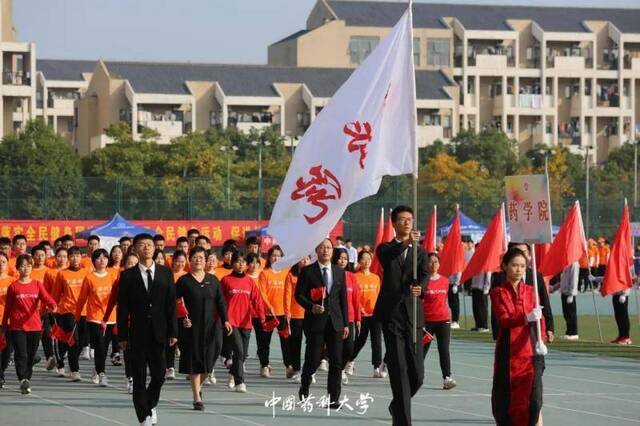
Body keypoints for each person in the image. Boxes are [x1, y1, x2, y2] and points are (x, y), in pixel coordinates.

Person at [374, 205, 428, 426]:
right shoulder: (385, 248)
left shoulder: (421, 252)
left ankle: (397, 405)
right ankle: (403, 421)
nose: (408, 223)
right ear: (394, 223)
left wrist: (420, 288)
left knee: (417, 375)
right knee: (399, 370)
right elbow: (390, 255)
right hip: (392, 315)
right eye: (403, 219)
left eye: (411, 219)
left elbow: (425, 274)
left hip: (413, 315)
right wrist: (408, 242)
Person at [117, 234, 177, 426]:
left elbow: (170, 305)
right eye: (142, 245)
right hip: (137, 334)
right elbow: (123, 308)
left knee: (159, 375)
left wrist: (173, 332)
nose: (146, 248)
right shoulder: (127, 276)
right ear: (134, 249)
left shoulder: (165, 273)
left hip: (160, 333)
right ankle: (143, 417)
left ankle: (149, 404)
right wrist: (122, 336)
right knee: (139, 378)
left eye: (149, 245)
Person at [490, 248, 545, 426]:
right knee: (506, 397)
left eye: (522, 266)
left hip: (529, 349)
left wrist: (541, 338)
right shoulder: (498, 292)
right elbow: (504, 320)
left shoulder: (531, 291)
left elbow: (540, 320)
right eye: (514, 265)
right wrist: (525, 317)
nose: (519, 270)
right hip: (508, 349)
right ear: (505, 266)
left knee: (533, 400)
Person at [175, 246, 230, 410]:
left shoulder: (213, 281)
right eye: (194, 257)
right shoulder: (183, 281)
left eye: (201, 257)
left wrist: (226, 320)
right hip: (191, 328)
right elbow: (175, 304)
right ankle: (196, 397)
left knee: (210, 359)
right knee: (195, 361)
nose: (198, 260)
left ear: (206, 261)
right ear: (189, 260)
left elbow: (220, 302)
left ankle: (199, 386)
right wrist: (181, 320)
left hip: (212, 327)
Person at [296, 238, 349, 408]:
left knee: (336, 361)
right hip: (315, 322)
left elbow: (343, 300)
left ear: (332, 251)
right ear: (316, 251)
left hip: (336, 322)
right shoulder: (307, 271)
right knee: (314, 359)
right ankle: (305, 386)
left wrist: (346, 323)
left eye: (328, 247)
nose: (325, 250)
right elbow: (299, 295)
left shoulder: (339, 272)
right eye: (322, 248)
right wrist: (311, 307)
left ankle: (333, 398)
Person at [1, 254, 57, 394]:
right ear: (18, 268)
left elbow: (46, 298)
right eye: (23, 266)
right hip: (17, 327)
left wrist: (52, 304)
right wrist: (4, 327)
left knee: (31, 355)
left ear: (32, 267)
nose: (26, 268)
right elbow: (7, 309)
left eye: (28, 265)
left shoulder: (37, 284)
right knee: (21, 354)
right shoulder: (13, 287)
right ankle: (23, 379)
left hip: (35, 326)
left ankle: (27, 377)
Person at [220, 252, 266, 393]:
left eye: (243, 262)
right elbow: (220, 301)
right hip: (231, 321)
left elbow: (257, 300)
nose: (241, 264)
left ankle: (233, 374)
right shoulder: (226, 280)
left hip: (246, 322)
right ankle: (240, 382)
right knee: (239, 350)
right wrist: (221, 319)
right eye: (238, 261)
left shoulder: (249, 281)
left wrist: (262, 316)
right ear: (232, 263)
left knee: (243, 353)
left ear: (246, 265)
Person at [491, 242, 555, 343]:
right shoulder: (500, 280)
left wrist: (549, 329)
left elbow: (544, 304)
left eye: (523, 252)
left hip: (533, 335)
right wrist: (496, 333)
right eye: (517, 252)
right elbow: (497, 312)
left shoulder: (536, 276)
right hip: (509, 336)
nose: (520, 255)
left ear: (529, 254)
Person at [75, 249, 118, 387]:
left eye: (105, 258)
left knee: (104, 347)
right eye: (99, 258)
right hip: (94, 317)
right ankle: (102, 374)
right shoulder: (89, 278)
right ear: (94, 261)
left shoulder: (113, 275)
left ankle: (97, 368)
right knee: (99, 345)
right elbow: (82, 298)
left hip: (110, 317)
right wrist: (77, 315)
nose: (102, 260)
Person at [50, 246, 88, 380]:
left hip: (84, 311)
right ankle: (74, 370)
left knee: (81, 341)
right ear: (68, 258)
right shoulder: (62, 274)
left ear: (81, 257)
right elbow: (55, 294)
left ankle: (61, 360)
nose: (74, 258)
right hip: (67, 311)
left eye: (77, 256)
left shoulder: (86, 272)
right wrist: (53, 308)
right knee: (73, 340)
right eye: (71, 256)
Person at [104, 252, 139, 394]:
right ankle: (130, 378)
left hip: (142, 322)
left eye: (135, 264)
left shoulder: (147, 280)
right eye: (129, 263)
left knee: (140, 353)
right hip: (125, 322)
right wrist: (105, 318)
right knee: (128, 352)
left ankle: (137, 378)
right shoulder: (120, 281)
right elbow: (112, 300)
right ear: (124, 266)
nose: (132, 266)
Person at [422, 252, 456, 390]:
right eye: (431, 262)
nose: (433, 264)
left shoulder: (445, 280)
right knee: (421, 350)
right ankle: (414, 374)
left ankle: (447, 378)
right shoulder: (423, 281)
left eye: (436, 261)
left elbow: (446, 301)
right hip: (427, 322)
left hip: (443, 320)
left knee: (444, 350)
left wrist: (451, 317)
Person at [256, 245, 290, 378]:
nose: (276, 258)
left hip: (282, 313)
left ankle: (288, 366)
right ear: (269, 258)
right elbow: (262, 292)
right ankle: (264, 365)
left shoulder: (286, 272)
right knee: (264, 341)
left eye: (279, 256)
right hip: (268, 313)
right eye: (273, 255)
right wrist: (268, 305)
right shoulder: (264, 273)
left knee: (285, 341)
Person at [350, 250, 384, 378]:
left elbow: (378, 296)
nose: (367, 261)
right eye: (364, 259)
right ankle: (350, 360)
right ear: (359, 261)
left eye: (369, 259)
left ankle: (376, 367)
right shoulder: (355, 277)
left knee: (377, 341)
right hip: (361, 315)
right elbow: (353, 297)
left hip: (375, 315)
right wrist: (359, 309)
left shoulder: (375, 278)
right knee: (360, 340)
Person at [332, 247, 361, 384]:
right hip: (334, 318)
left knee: (349, 348)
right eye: (340, 258)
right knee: (334, 348)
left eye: (345, 258)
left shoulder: (352, 277)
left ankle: (340, 369)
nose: (342, 261)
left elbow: (356, 298)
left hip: (349, 318)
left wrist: (358, 319)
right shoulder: (330, 274)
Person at [284, 255, 310, 383]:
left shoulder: (313, 274)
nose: (305, 261)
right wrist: (287, 312)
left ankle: (310, 370)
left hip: (310, 314)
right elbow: (288, 294)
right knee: (296, 343)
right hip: (295, 314)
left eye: (307, 259)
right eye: (302, 259)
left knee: (312, 343)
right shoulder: (291, 275)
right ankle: (297, 370)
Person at [166, 250, 188, 380]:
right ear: (173, 261)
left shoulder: (187, 276)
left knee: (185, 342)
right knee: (171, 341)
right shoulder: (167, 275)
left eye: (182, 261)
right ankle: (170, 367)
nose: (180, 264)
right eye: (178, 261)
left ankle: (187, 369)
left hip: (184, 313)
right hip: (170, 313)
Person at [30, 245, 53, 369]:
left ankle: (50, 358)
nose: (40, 257)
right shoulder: (29, 271)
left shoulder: (49, 272)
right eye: (37, 255)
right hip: (30, 311)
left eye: (42, 255)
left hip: (45, 310)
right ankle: (31, 356)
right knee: (34, 336)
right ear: (32, 257)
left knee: (47, 334)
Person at [550, 262, 579, 340]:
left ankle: (573, 332)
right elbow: (563, 280)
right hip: (564, 292)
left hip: (569, 293)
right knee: (566, 314)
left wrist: (572, 294)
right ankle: (569, 332)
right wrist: (554, 287)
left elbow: (574, 280)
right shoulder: (566, 264)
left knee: (571, 313)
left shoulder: (574, 264)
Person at [0, 252, 14, 388]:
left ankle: (2, 370)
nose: (0, 264)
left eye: (3, 262)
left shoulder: (12, 281)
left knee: (7, 351)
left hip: (9, 321)